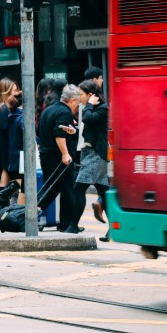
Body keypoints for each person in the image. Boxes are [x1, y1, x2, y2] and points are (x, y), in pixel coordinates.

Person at [37, 84, 83, 233]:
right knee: (67, 189)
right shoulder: (65, 112)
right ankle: (65, 224)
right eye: (78, 102)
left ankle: (63, 223)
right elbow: (59, 134)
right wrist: (65, 154)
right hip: (59, 157)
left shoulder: (49, 109)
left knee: (55, 187)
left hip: (46, 154)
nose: (78, 106)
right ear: (73, 100)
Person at [75, 80, 110, 239]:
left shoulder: (102, 108)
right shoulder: (91, 107)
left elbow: (88, 119)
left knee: (78, 188)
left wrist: (88, 104)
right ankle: (113, 231)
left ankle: (71, 225)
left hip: (96, 154)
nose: (78, 97)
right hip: (90, 153)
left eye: (81, 94)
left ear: (90, 95)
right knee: (104, 191)